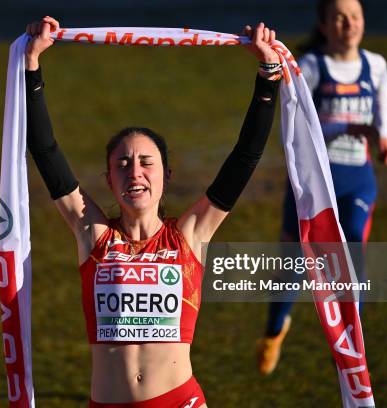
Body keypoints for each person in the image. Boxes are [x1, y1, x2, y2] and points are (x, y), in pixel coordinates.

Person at [25, 16, 281, 408]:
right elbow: (46, 153)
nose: (135, 171)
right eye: (122, 164)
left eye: (147, 162)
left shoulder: (192, 234)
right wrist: (32, 65)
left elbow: (244, 158)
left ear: (166, 176)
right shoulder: (92, 234)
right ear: (109, 180)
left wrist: (268, 74)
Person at [256, 0, 387, 375]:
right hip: (314, 179)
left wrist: (385, 139)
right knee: (295, 263)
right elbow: (300, 125)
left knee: (352, 250)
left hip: (357, 177)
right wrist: (347, 129)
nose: (348, 23)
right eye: (339, 17)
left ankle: (350, 343)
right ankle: (273, 331)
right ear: (323, 25)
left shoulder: (376, 65)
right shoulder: (314, 68)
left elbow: (383, 116)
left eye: (355, 16)